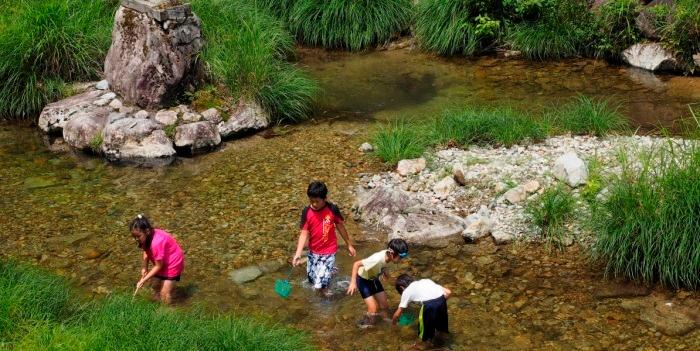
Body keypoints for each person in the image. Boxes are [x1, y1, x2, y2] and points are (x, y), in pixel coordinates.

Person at [292, 181, 356, 296]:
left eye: (317, 201)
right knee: (312, 280)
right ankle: (331, 271)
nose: (314, 204)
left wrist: (349, 245)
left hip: (329, 251)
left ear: (325, 198)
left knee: (319, 286)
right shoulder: (307, 212)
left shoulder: (332, 209)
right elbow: (304, 233)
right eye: (311, 201)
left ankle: (327, 298)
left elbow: (340, 227)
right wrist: (298, 253)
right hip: (313, 251)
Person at [346, 238, 409, 328]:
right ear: (391, 254)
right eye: (400, 257)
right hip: (363, 280)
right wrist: (353, 283)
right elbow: (356, 264)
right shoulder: (376, 259)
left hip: (373, 278)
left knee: (385, 305)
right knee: (373, 309)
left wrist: (384, 270)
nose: (401, 259)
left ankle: (384, 321)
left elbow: (382, 265)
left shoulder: (388, 256)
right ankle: (362, 326)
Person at [130, 214, 184, 304]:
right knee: (155, 286)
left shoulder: (156, 243)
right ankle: (156, 304)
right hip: (162, 260)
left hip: (173, 263)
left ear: (146, 231)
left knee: (164, 294)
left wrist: (143, 280)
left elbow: (159, 266)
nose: (136, 239)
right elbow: (145, 250)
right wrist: (145, 267)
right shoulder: (146, 237)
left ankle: (168, 311)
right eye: (134, 237)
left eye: (138, 236)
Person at [393, 274, 451, 349]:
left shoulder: (406, 291)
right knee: (441, 329)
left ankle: (422, 346)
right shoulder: (425, 281)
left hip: (429, 305)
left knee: (424, 334)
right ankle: (443, 345)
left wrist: (393, 324)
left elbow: (398, 313)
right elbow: (448, 292)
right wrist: (438, 304)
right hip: (441, 300)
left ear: (402, 287)